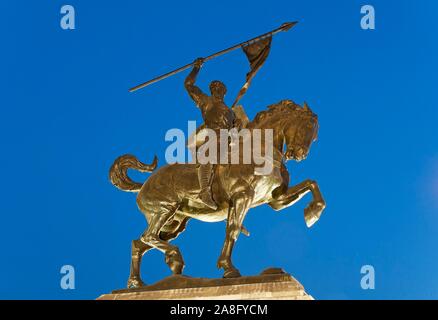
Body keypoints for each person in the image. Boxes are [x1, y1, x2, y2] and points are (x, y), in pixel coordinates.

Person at [184, 57, 237, 210]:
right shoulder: (205, 101)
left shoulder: (230, 112)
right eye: (214, 88)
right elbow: (188, 85)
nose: (217, 90)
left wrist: (237, 124)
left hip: (228, 140)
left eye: (220, 89)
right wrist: (196, 68)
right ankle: (204, 191)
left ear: (224, 92)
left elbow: (236, 130)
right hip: (211, 136)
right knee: (209, 154)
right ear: (211, 91)